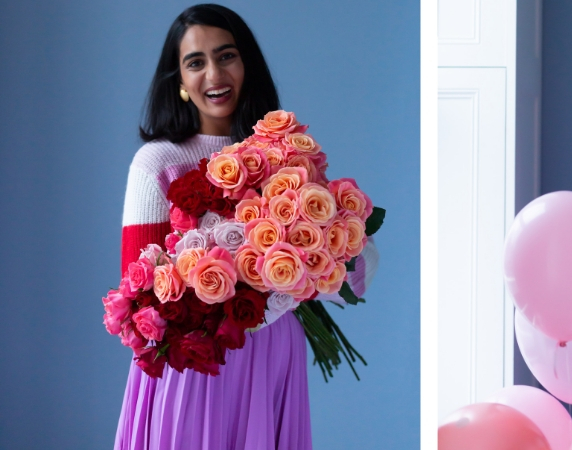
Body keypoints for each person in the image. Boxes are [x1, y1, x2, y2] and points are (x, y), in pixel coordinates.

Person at [115, 5, 377, 449]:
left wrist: (327, 255)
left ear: (247, 65)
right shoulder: (155, 164)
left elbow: (353, 268)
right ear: (178, 81)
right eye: (195, 62)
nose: (214, 73)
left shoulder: (289, 158)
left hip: (273, 354)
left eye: (227, 55)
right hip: (195, 360)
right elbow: (136, 292)